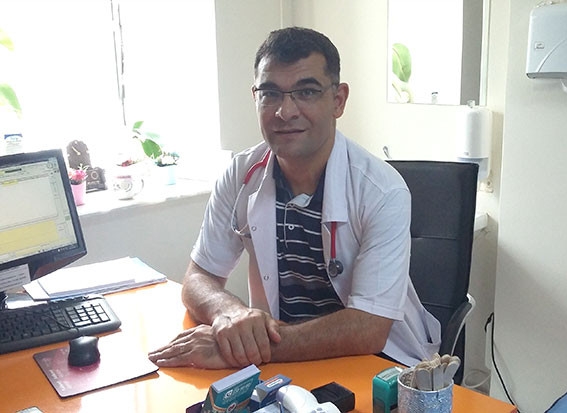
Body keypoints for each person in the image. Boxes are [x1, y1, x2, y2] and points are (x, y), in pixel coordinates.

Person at [148, 27, 440, 370]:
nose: (285, 111)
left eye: (306, 92)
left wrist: (242, 349)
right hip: (284, 360)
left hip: (375, 365)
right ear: (255, 98)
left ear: (338, 100)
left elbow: (369, 329)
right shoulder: (241, 174)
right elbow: (199, 277)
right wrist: (231, 315)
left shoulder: (382, 190)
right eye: (270, 94)